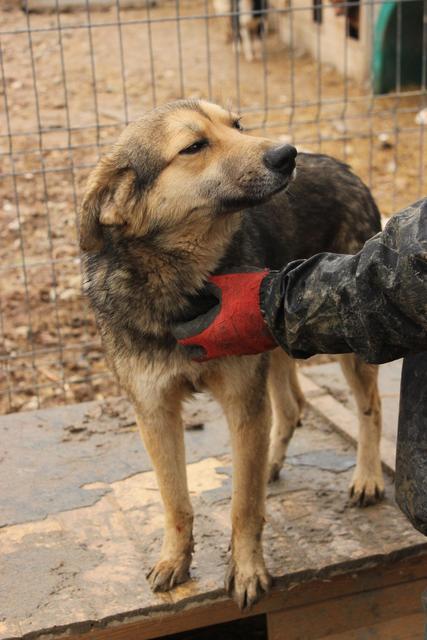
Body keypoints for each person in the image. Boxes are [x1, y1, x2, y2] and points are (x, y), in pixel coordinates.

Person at [173, 198, 427, 535]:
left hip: (336, 210)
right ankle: (287, 422)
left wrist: (283, 305)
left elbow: (403, 286)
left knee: (356, 343)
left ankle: (369, 438)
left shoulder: (338, 197)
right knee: (272, 338)